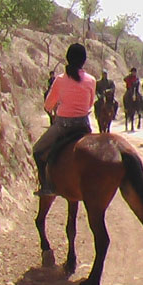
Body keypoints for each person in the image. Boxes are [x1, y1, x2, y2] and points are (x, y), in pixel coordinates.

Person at [32, 44, 96, 196]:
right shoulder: (91, 80)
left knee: (37, 150)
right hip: (84, 126)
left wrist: (54, 109)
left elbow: (48, 105)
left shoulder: (60, 80)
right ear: (84, 60)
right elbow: (90, 103)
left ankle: (45, 185)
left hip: (63, 125)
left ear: (68, 59)